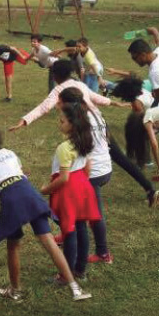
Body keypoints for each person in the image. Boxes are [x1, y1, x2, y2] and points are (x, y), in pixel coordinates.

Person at [10, 60, 158, 207]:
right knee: (119, 157)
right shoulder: (79, 84)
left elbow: (44, 107)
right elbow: (95, 97)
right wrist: (112, 102)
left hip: (84, 127)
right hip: (99, 123)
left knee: (85, 165)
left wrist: (24, 120)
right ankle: (149, 188)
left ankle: (88, 202)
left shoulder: (58, 90)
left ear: (55, 75)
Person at [0, 125, 92, 301]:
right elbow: (19, 172)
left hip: (11, 201)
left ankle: (15, 290)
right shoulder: (11, 153)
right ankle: (75, 289)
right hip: (30, 194)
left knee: (13, 247)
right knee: (48, 241)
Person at [39, 102, 101, 281]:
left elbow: (64, 178)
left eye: (62, 121)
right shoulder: (86, 140)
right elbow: (88, 166)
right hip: (83, 186)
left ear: (73, 124)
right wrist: (82, 185)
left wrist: (45, 190)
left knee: (69, 231)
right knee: (81, 227)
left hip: (69, 191)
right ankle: (80, 270)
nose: (59, 124)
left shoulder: (64, 148)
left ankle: (66, 274)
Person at [58, 87, 114, 264]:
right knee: (81, 209)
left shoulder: (80, 119)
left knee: (94, 214)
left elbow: (80, 148)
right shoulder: (95, 112)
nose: (58, 105)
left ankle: (103, 253)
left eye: (61, 102)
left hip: (93, 171)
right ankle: (67, 234)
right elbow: (107, 138)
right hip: (105, 166)